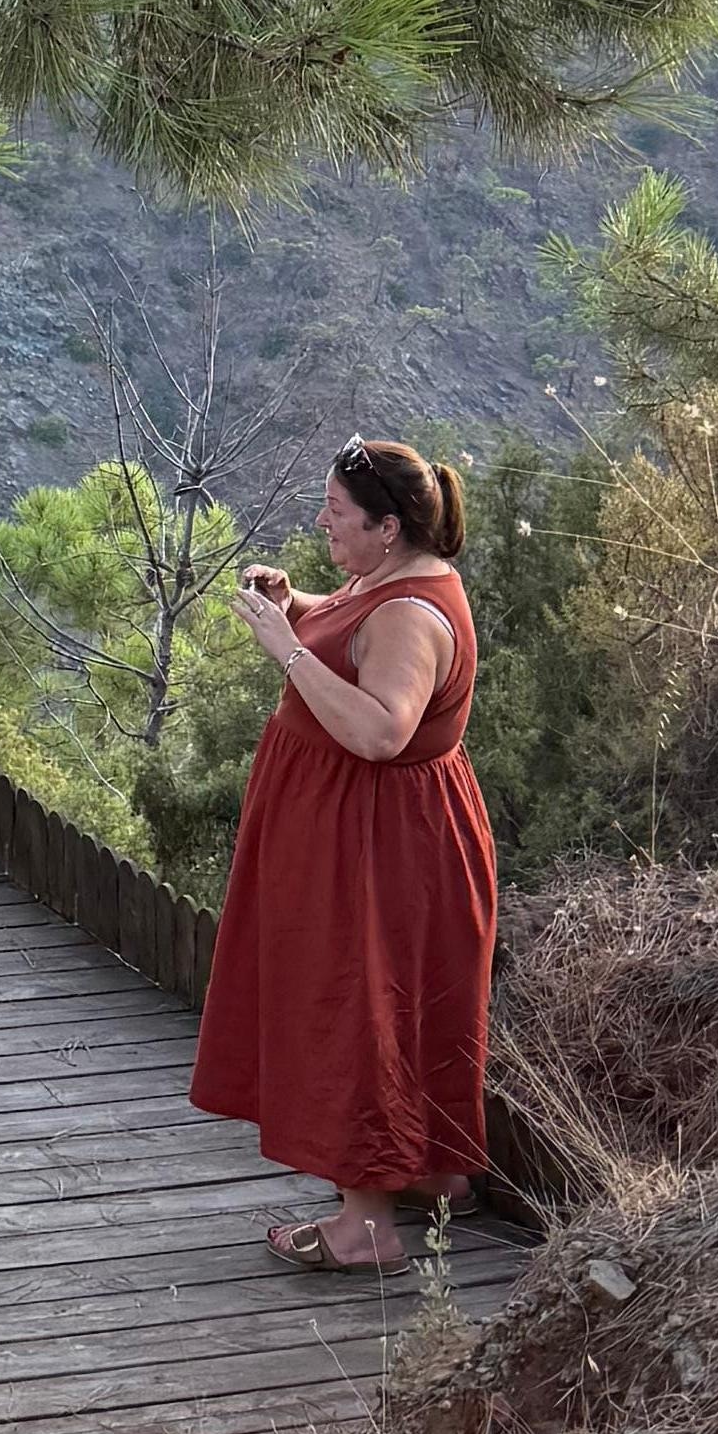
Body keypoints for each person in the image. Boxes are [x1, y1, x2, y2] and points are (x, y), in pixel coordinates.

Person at [190, 437, 497, 1275]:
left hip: (373, 842)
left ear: (388, 527)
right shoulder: (390, 580)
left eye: (336, 512)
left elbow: (378, 730)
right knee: (402, 995)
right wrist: (298, 608)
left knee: (356, 1002)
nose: (322, 521)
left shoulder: (409, 614)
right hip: (371, 831)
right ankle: (433, 1172)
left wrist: (281, 649)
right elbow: (350, 633)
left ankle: (366, 1225)